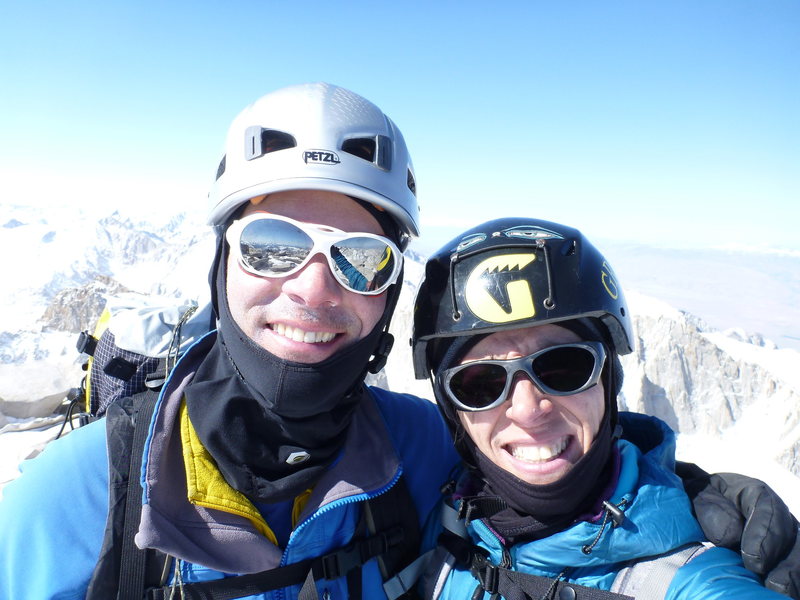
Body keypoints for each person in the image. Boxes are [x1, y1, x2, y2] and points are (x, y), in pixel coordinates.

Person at [0, 84, 795, 600]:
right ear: (219, 263)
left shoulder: (419, 451)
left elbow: (554, 481)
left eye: (361, 258)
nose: (313, 288)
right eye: (272, 244)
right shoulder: (77, 501)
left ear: (387, 298)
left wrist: (683, 494)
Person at [410, 217, 799, 600]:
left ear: (608, 381)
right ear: (452, 410)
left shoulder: (687, 581)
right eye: (481, 384)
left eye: (563, 367)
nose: (528, 410)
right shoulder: (425, 521)